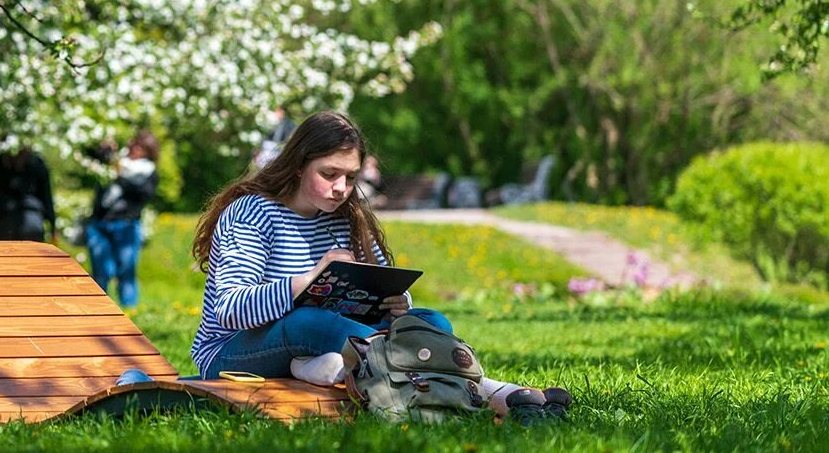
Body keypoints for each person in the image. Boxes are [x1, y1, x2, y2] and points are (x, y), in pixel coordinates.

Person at [189, 110, 567, 417]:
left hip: (337, 338)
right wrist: (307, 281)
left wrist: (401, 304)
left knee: (429, 322)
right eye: (329, 174)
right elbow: (230, 310)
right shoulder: (251, 214)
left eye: (351, 177)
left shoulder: (346, 215)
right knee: (311, 321)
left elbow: (390, 287)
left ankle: (328, 367)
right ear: (298, 166)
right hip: (232, 351)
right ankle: (493, 393)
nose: (341, 188)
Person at [85, 130, 160, 308]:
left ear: (148, 151)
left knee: (126, 271)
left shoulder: (148, 171)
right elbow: (88, 154)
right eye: (134, 144)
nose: (135, 149)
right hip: (100, 224)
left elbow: (144, 193)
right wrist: (104, 149)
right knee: (101, 271)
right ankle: (98, 311)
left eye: (141, 147)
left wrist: (121, 175)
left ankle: (129, 313)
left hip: (126, 225)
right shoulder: (115, 161)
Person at [0, 146, 56, 242]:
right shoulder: (35, 163)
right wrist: (52, 225)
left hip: (9, 220)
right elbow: (47, 197)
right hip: (16, 220)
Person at [251, 104, 296, 169]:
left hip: (279, 156)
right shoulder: (265, 123)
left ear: (282, 112)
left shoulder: (289, 125)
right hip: (265, 157)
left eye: (278, 111)